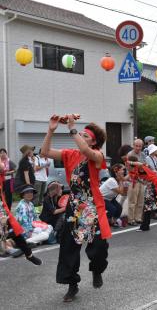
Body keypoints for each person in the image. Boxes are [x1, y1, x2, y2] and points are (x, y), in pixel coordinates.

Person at [41, 114, 110, 302]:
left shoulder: (97, 156)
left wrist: (72, 128)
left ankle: (96, 270)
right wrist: (51, 129)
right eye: (80, 134)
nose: (80, 136)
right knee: (69, 247)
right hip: (74, 206)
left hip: (93, 205)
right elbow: (45, 152)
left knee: (98, 246)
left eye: (85, 135)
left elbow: (87, 151)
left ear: (94, 141)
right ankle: (72, 285)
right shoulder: (70, 155)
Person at [0, 161, 42, 265]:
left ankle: (28, 254)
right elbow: (24, 222)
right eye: (27, 192)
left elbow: (2, 167)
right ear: (23, 195)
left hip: (3, 209)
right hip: (26, 229)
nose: (30, 194)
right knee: (11, 232)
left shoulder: (31, 205)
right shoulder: (22, 205)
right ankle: (7, 247)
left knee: (15, 232)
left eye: (31, 192)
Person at [127, 139, 147, 226]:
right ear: (133, 145)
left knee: (141, 200)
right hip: (133, 179)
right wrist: (139, 166)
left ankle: (138, 218)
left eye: (140, 146)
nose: (138, 148)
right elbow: (129, 167)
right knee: (133, 200)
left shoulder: (143, 154)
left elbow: (145, 166)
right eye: (136, 146)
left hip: (142, 180)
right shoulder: (130, 154)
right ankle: (131, 219)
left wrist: (141, 167)